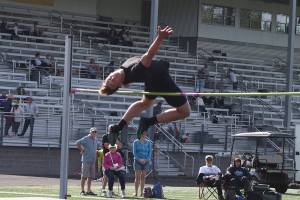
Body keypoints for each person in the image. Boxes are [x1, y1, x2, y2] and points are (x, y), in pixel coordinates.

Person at [100, 26, 190, 142]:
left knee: (144, 103)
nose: (111, 78)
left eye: (109, 78)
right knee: (185, 112)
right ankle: (148, 122)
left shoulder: (124, 67)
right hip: (163, 82)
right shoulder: (134, 72)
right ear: (120, 84)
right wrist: (160, 37)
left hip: (152, 80)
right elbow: (148, 56)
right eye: (112, 82)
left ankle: (119, 127)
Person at [75, 127, 98, 196]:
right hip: (86, 160)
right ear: (90, 132)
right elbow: (77, 143)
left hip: (93, 160)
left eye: (95, 132)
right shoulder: (86, 138)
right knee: (84, 176)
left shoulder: (96, 139)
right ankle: (82, 191)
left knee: (90, 176)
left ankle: (88, 190)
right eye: (93, 132)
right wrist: (82, 149)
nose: (94, 133)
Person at [133, 130, 152, 197]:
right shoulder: (135, 142)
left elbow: (150, 153)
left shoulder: (149, 142)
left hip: (146, 161)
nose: (144, 135)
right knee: (137, 177)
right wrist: (139, 159)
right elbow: (134, 153)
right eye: (142, 134)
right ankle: (136, 192)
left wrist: (146, 160)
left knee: (143, 177)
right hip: (138, 161)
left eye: (145, 134)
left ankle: (141, 193)